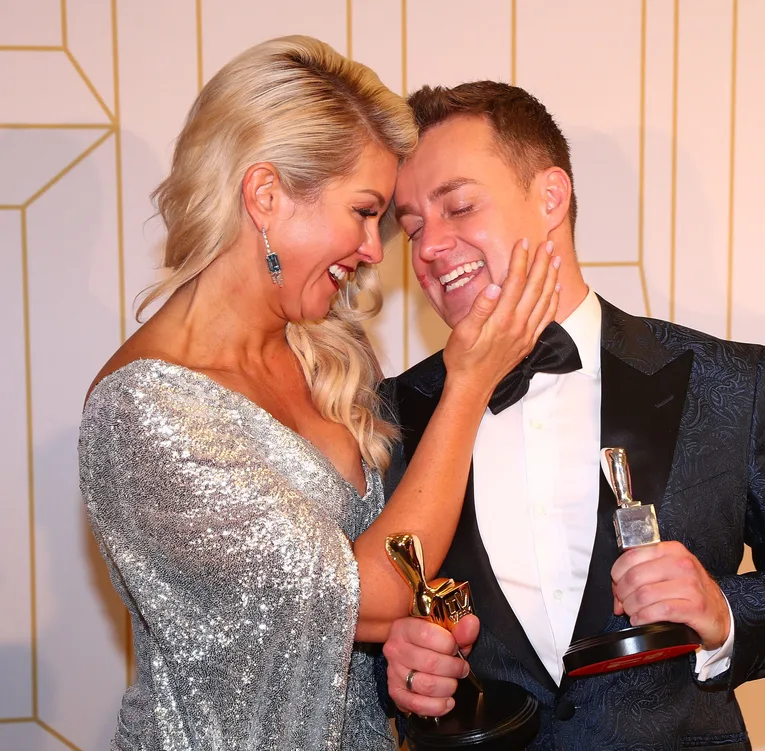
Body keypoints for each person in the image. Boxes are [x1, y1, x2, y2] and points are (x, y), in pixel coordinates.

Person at [78, 40, 560, 751]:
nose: (376, 248)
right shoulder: (145, 412)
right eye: (365, 211)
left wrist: (405, 655)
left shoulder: (324, 351)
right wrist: (469, 381)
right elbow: (372, 591)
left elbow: (349, 624)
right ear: (266, 196)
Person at [379, 80, 765, 750]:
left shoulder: (730, 382)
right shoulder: (388, 413)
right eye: (412, 227)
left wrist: (723, 610)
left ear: (551, 197)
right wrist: (399, 669)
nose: (431, 247)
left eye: (458, 206)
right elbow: (364, 630)